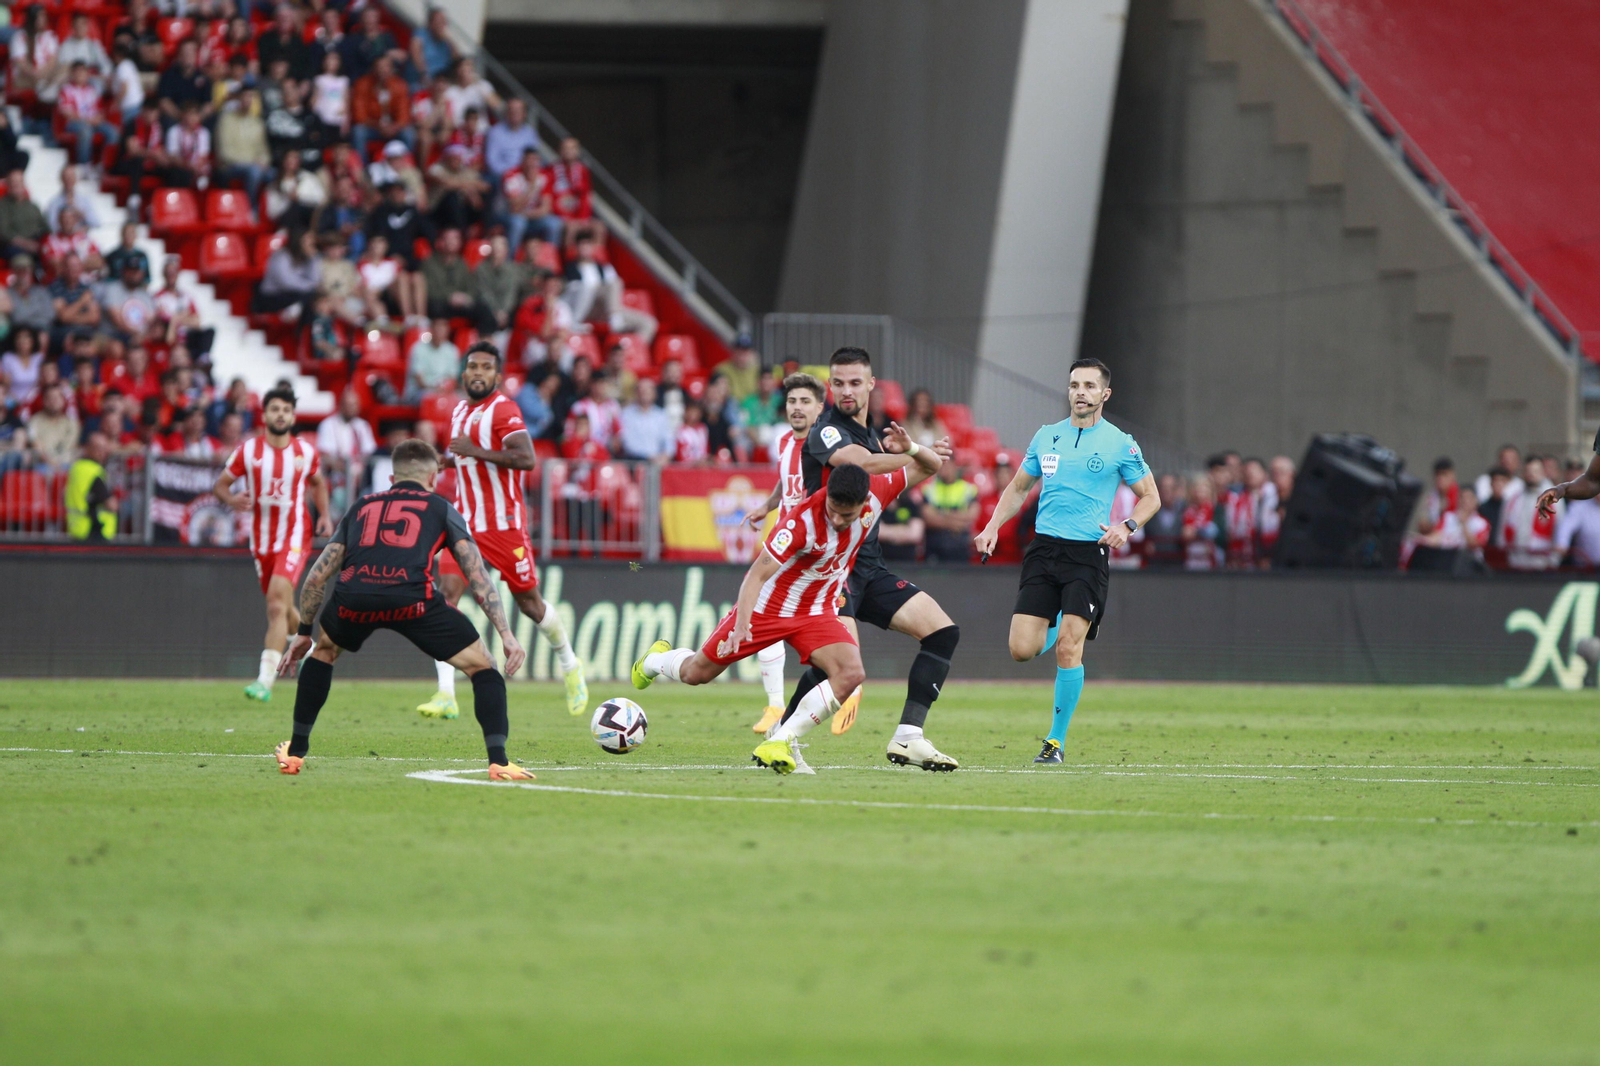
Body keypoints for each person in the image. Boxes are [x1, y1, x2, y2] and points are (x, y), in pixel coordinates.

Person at [633, 434, 942, 777]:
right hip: (769, 609)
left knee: (851, 673)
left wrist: (912, 448)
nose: (839, 521)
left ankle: (782, 738)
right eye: (834, 512)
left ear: (864, 502)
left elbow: (931, 465)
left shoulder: (877, 493)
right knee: (696, 673)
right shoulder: (800, 522)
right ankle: (655, 661)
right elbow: (755, 576)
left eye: (848, 515)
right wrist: (742, 625)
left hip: (817, 610)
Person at [274, 438, 533, 781]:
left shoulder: (361, 507)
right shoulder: (441, 507)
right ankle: (499, 761)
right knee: (484, 666)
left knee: (323, 653)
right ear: (432, 478)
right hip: (412, 599)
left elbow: (317, 576)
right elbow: (477, 575)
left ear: (392, 479)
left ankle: (295, 754)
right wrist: (506, 634)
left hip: (354, 597)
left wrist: (304, 634)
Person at [973, 358, 1160, 765]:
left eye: (1090, 386)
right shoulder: (1046, 437)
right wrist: (991, 528)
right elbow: (1019, 488)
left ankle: (1055, 742)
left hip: (1086, 556)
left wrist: (1126, 526)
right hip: (1043, 551)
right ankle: (1059, 625)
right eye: (1075, 385)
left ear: (1104, 395)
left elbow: (1152, 497)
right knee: (1021, 649)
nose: (1080, 392)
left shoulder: (1120, 443)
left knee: (1070, 649)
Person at [783, 346, 961, 769]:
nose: (847, 390)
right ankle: (782, 737)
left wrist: (914, 446)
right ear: (829, 386)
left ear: (871, 384)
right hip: (829, 569)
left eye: (855, 382)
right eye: (839, 383)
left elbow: (931, 465)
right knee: (841, 668)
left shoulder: (875, 433)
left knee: (942, 631)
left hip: (868, 565)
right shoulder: (825, 431)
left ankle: (908, 736)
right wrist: (909, 453)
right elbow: (859, 464)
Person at [415, 342, 588, 720]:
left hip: (505, 527)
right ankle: (446, 693)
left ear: (497, 375)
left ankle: (570, 665)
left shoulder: (503, 409)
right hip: (463, 525)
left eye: (486, 367)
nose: (478, 372)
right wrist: (445, 461)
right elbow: (465, 457)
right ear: (463, 374)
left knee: (530, 604)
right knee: (445, 598)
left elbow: (526, 459)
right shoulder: (460, 411)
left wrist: (475, 450)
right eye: (472, 366)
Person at [212, 385, 333, 703]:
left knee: (276, 606)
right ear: (264, 414)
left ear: (293, 416)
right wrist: (232, 497)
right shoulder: (248, 451)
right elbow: (220, 485)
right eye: (275, 409)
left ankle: (265, 680)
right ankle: (311, 649)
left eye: (286, 410)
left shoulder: (305, 452)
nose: (281, 414)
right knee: (285, 607)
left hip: (294, 536)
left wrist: (324, 515)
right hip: (261, 542)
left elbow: (318, 482)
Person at [741, 371, 824, 734]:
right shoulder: (784, 442)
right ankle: (776, 707)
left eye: (805, 401)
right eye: (792, 401)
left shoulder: (825, 446)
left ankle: (839, 687)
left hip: (814, 548)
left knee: (808, 625)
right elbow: (786, 478)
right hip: (783, 542)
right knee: (765, 614)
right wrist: (768, 505)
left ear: (820, 408)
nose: (797, 408)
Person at [315, 386, 376, 513]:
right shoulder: (328, 425)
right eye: (347, 405)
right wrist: (349, 470)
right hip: (337, 480)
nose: (351, 408)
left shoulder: (363, 426)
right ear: (340, 405)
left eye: (354, 405)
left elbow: (370, 455)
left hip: (361, 481)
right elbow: (326, 458)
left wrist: (359, 471)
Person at [65, 431, 116, 542]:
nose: (102, 452)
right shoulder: (94, 471)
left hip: (76, 529)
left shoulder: (76, 467)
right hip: (94, 531)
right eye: (98, 448)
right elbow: (111, 504)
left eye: (104, 448)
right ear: (87, 448)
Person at [617, 377, 673, 461]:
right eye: (642, 390)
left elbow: (668, 441)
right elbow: (627, 442)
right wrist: (648, 457)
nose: (644, 393)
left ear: (654, 394)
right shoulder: (626, 414)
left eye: (648, 391)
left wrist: (665, 456)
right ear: (636, 393)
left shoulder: (661, 415)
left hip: (657, 463)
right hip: (633, 461)